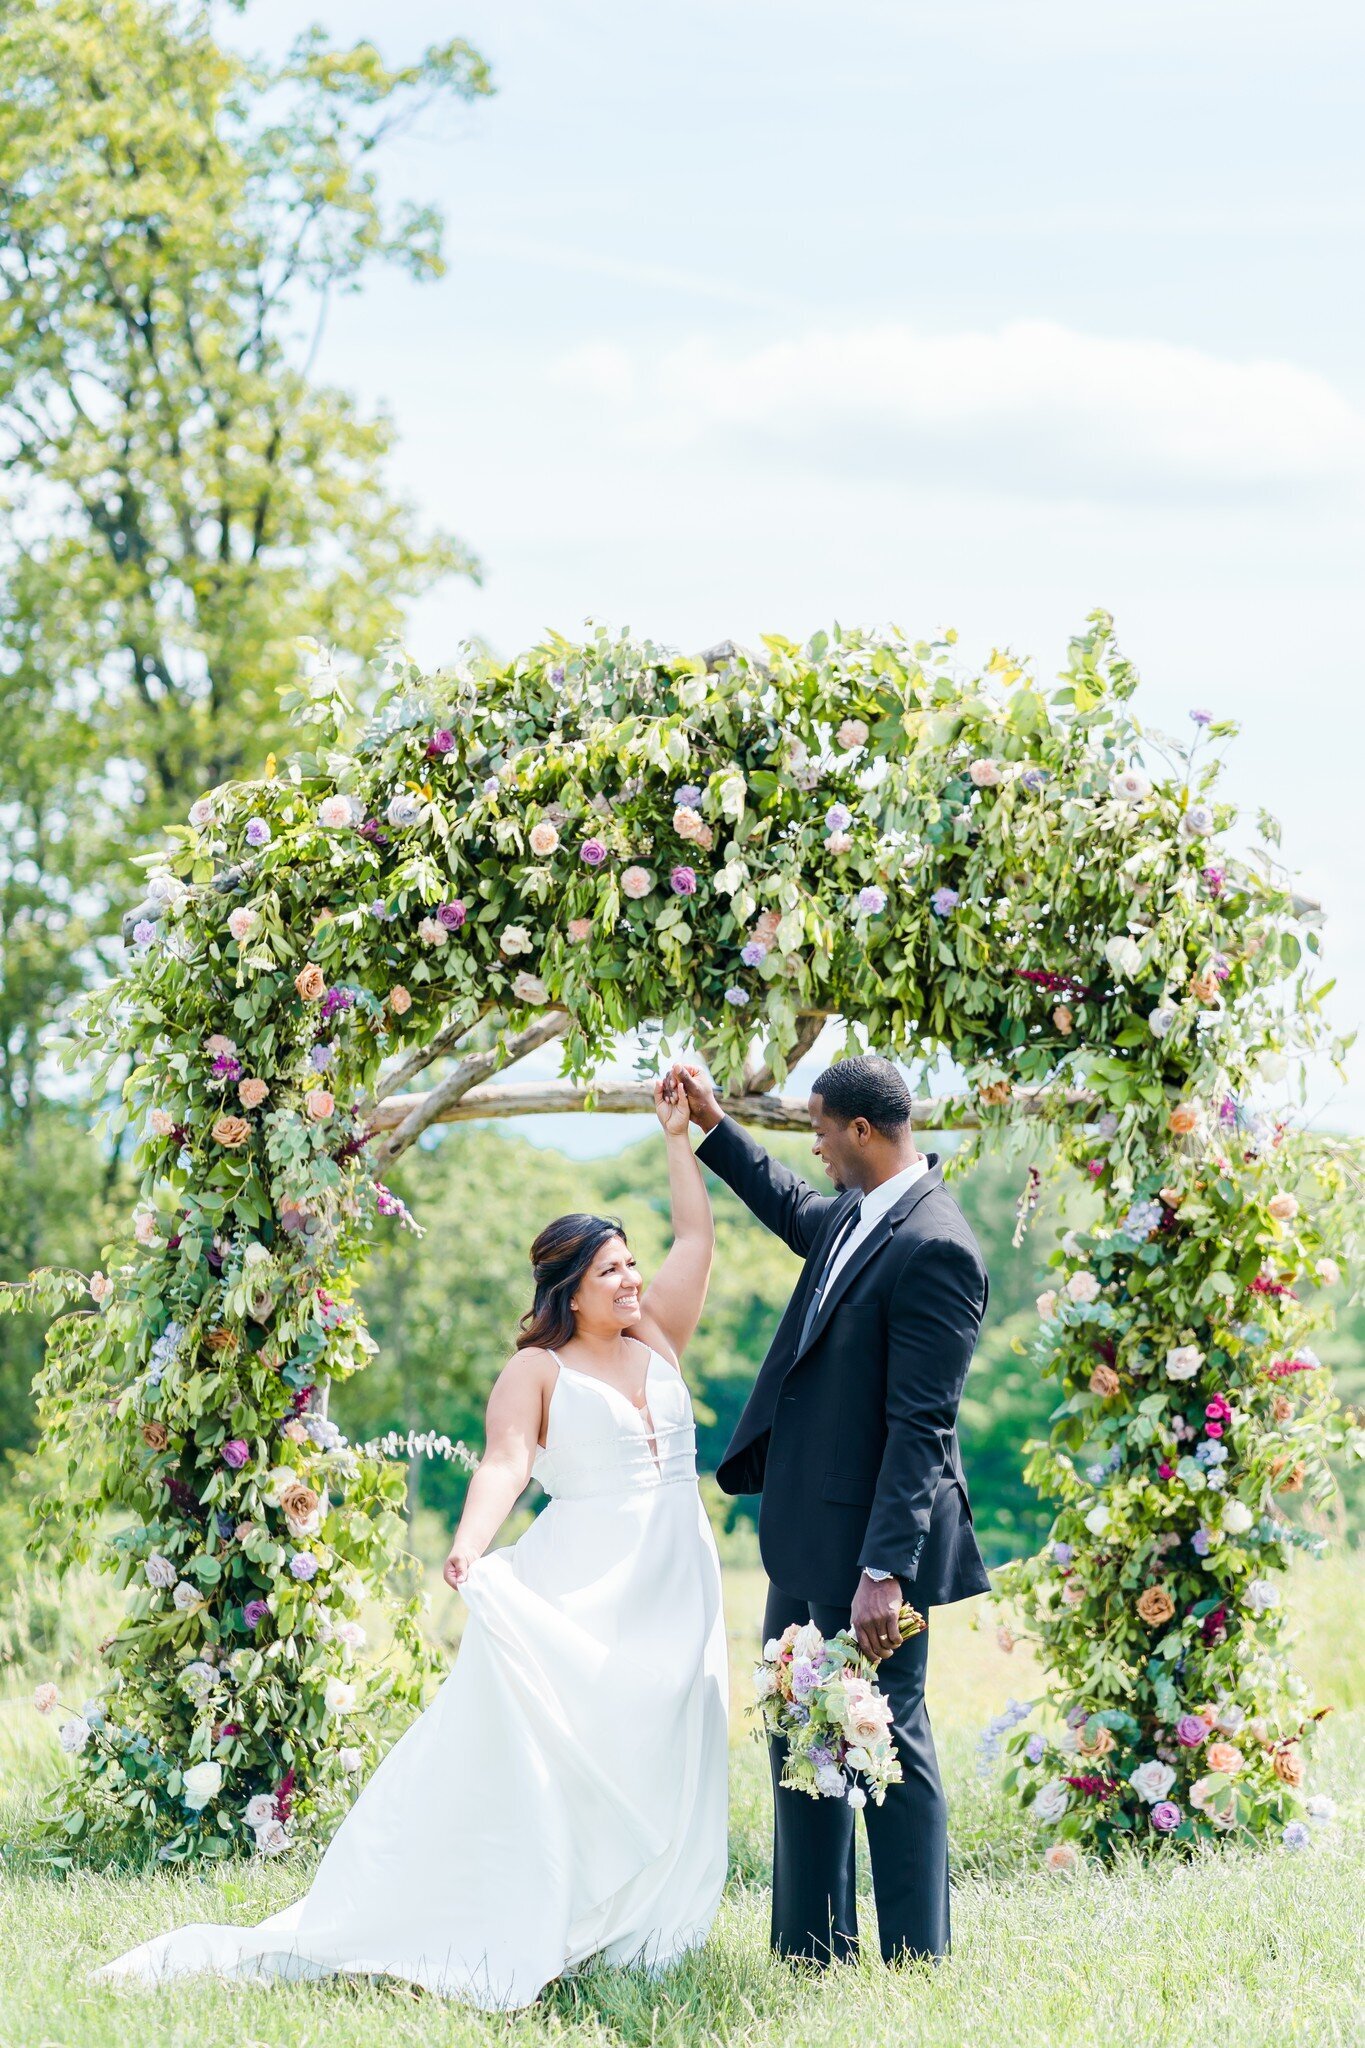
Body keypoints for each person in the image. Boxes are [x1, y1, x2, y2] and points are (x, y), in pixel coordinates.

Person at [96, 1074, 727, 2009]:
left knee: (673, 1741)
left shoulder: (661, 1335)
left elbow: (699, 1237)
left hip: (679, 1579)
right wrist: (471, 1546)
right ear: (567, 1288)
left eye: (631, 1266)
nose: (632, 1281)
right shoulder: (535, 1369)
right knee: (575, 1745)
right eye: (610, 1273)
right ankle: (540, 1910)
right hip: (584, 1584)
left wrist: (680, 1137)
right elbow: (504, 1464)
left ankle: (646, 1926)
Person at [671, 1051, 990, 1970]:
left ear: (860, 1130)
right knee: (799, 1730)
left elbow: (920, 1425)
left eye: (816, 1126)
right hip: (807, 1540)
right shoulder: (856, 1210)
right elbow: (788, 1207)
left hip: (876, 1560)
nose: (808, 1142)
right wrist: (709, 1125)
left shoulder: (937, 1247)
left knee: (888, 1740)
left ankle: (918, 1959)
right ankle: (811, 1949)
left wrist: (883, 1574)